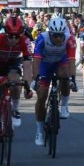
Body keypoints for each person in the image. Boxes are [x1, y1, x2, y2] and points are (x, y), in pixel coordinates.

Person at [31, 17, 77, 145]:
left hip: (60, 63)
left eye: (60, 36)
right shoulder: (42, 38)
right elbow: (36, 60)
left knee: (64, 75)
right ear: (50, 33)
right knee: (42, 96)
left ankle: (64, 106)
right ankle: (39, 131)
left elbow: (72, 60)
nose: (58, 39)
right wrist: (36, 78)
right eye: (55, 36)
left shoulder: (69, 39)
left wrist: (72, 79)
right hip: (45, 64)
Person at [0, 17, 34, 131]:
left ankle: (15, 109)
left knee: (15, 80)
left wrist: (27, 88)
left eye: (17, 36)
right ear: (5, 33)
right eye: (10, 35)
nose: (14, 39)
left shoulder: (25, 41)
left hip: (12, 63)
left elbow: (27, 66)